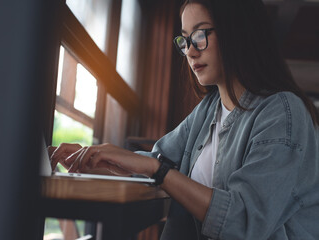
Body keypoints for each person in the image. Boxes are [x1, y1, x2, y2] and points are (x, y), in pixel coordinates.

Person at [49, 0, 319, 239]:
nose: (190, 51)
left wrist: (158, 170)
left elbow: (244, 222)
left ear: (237, 31)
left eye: (200, 35)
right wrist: (92, 159)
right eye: (185, 39)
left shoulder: (282, 112)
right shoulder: (209, 108)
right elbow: (154, 164)